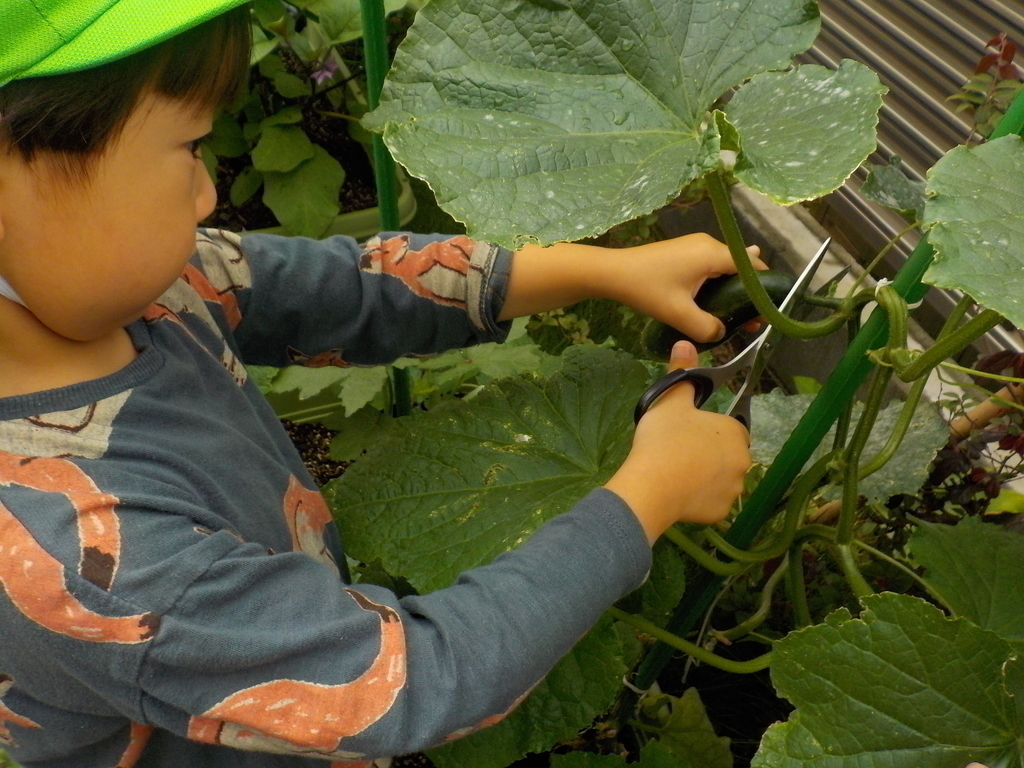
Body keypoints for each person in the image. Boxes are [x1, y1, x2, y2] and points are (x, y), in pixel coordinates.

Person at [0, 2, 753, 765]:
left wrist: (598, 269)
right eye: (189, 146)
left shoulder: (160, 288)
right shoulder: (77, 562)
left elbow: (348, 289)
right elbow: (417, 681)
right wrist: (651, 492)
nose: (205, 196)